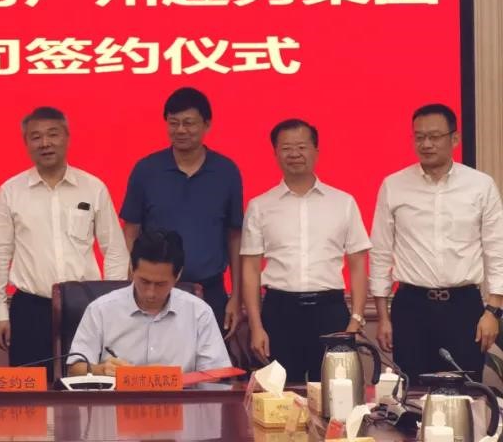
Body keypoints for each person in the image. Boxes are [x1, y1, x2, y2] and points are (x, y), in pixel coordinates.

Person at [0, 106, 129, 378]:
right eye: (36, 137)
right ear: (26, 143)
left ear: (67, 137)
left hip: (85, 306)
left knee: (87, 386)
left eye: (53, 134)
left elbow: (114, 250)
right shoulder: (11, 191)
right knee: (30, 392)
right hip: (31, 307)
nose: (45, 143)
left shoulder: (93, 187)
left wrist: (111, 304)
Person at [371, 104, 503, 382]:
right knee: (412, 392)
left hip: (463, 307)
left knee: (465, 391)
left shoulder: (480, 185)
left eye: (434, 136)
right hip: (412, 306)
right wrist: (383, 317)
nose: (426, 144)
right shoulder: (394, 185)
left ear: (454, 139)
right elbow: (380, 253)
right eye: (419, 137)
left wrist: (492, 310)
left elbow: (497, 249)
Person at [241, 119, 370, 382]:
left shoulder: (343, 202)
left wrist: (355, 320)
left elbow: (358, 265)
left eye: (302, 147)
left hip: (330, 312)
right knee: (281, 394)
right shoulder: (260, 206)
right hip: (280, 312)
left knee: (334, 392)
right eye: (286, 148)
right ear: (275, 153)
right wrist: (256, 326)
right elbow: (251, 269)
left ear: (316, 151)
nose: (294, 154)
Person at [120, 87, 244, 335]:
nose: (180, 130)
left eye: (189, 123)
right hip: (156, 292)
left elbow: (234, 237)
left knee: (209, 359)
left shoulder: (226, 171)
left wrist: (236, 296)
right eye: (173, 123)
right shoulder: (146, 170)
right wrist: (132, 286)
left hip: (210, 290)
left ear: (206, 124)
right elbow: (131, 232)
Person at [67, 229, 231, 376]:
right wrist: (101, 370)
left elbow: (217, 373)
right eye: (144, 281)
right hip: (117, 399)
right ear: (132, 268)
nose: (150, 292)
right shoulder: (100, 310)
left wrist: (173, 379)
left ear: (178, 275)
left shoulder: (199, 313)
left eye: (160, 284)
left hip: (180, 399)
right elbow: (74, 369)